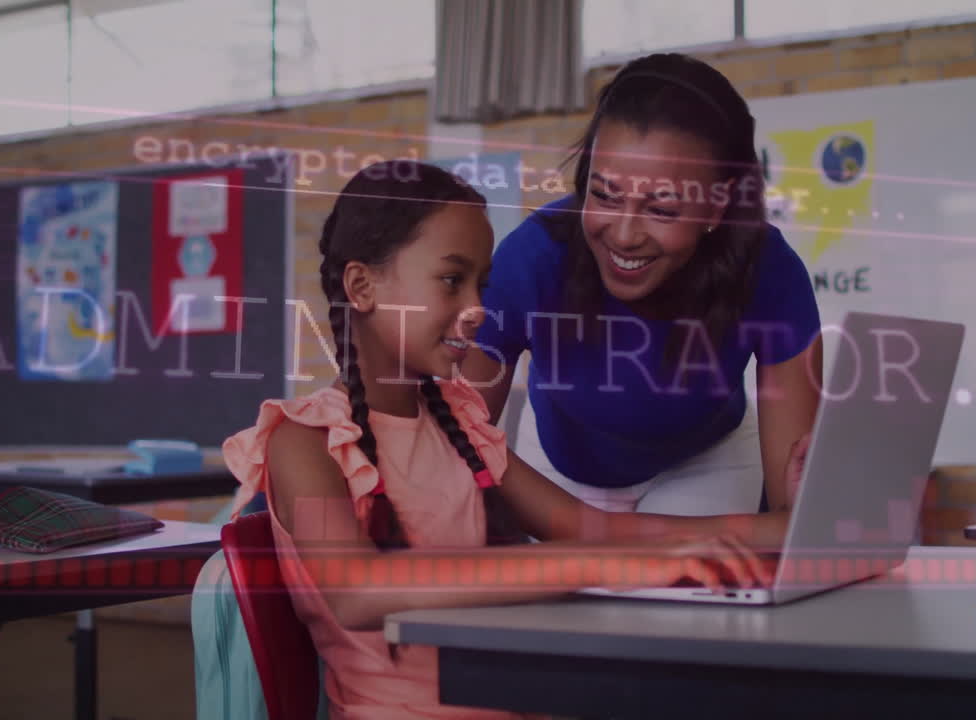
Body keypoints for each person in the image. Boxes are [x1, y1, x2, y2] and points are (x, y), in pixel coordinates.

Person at [221, 160, 785, 720]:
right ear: (362, 286)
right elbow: (357, 590)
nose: (477, 309)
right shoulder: (304, 441)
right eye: (451, 279)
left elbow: (594, 529)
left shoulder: (457, 422)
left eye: (481, 284)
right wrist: (610, 565)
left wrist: (773, 532)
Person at [460, 52, 822, 518]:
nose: (625, 236)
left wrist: (808, 516)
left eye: (662, 209)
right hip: (560, 471)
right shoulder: (532, 260)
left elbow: (794, 516)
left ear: (716, 207)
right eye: (604, 195)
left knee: (695, 589)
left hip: (708, 463)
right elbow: (456, 443)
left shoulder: (768, 270)